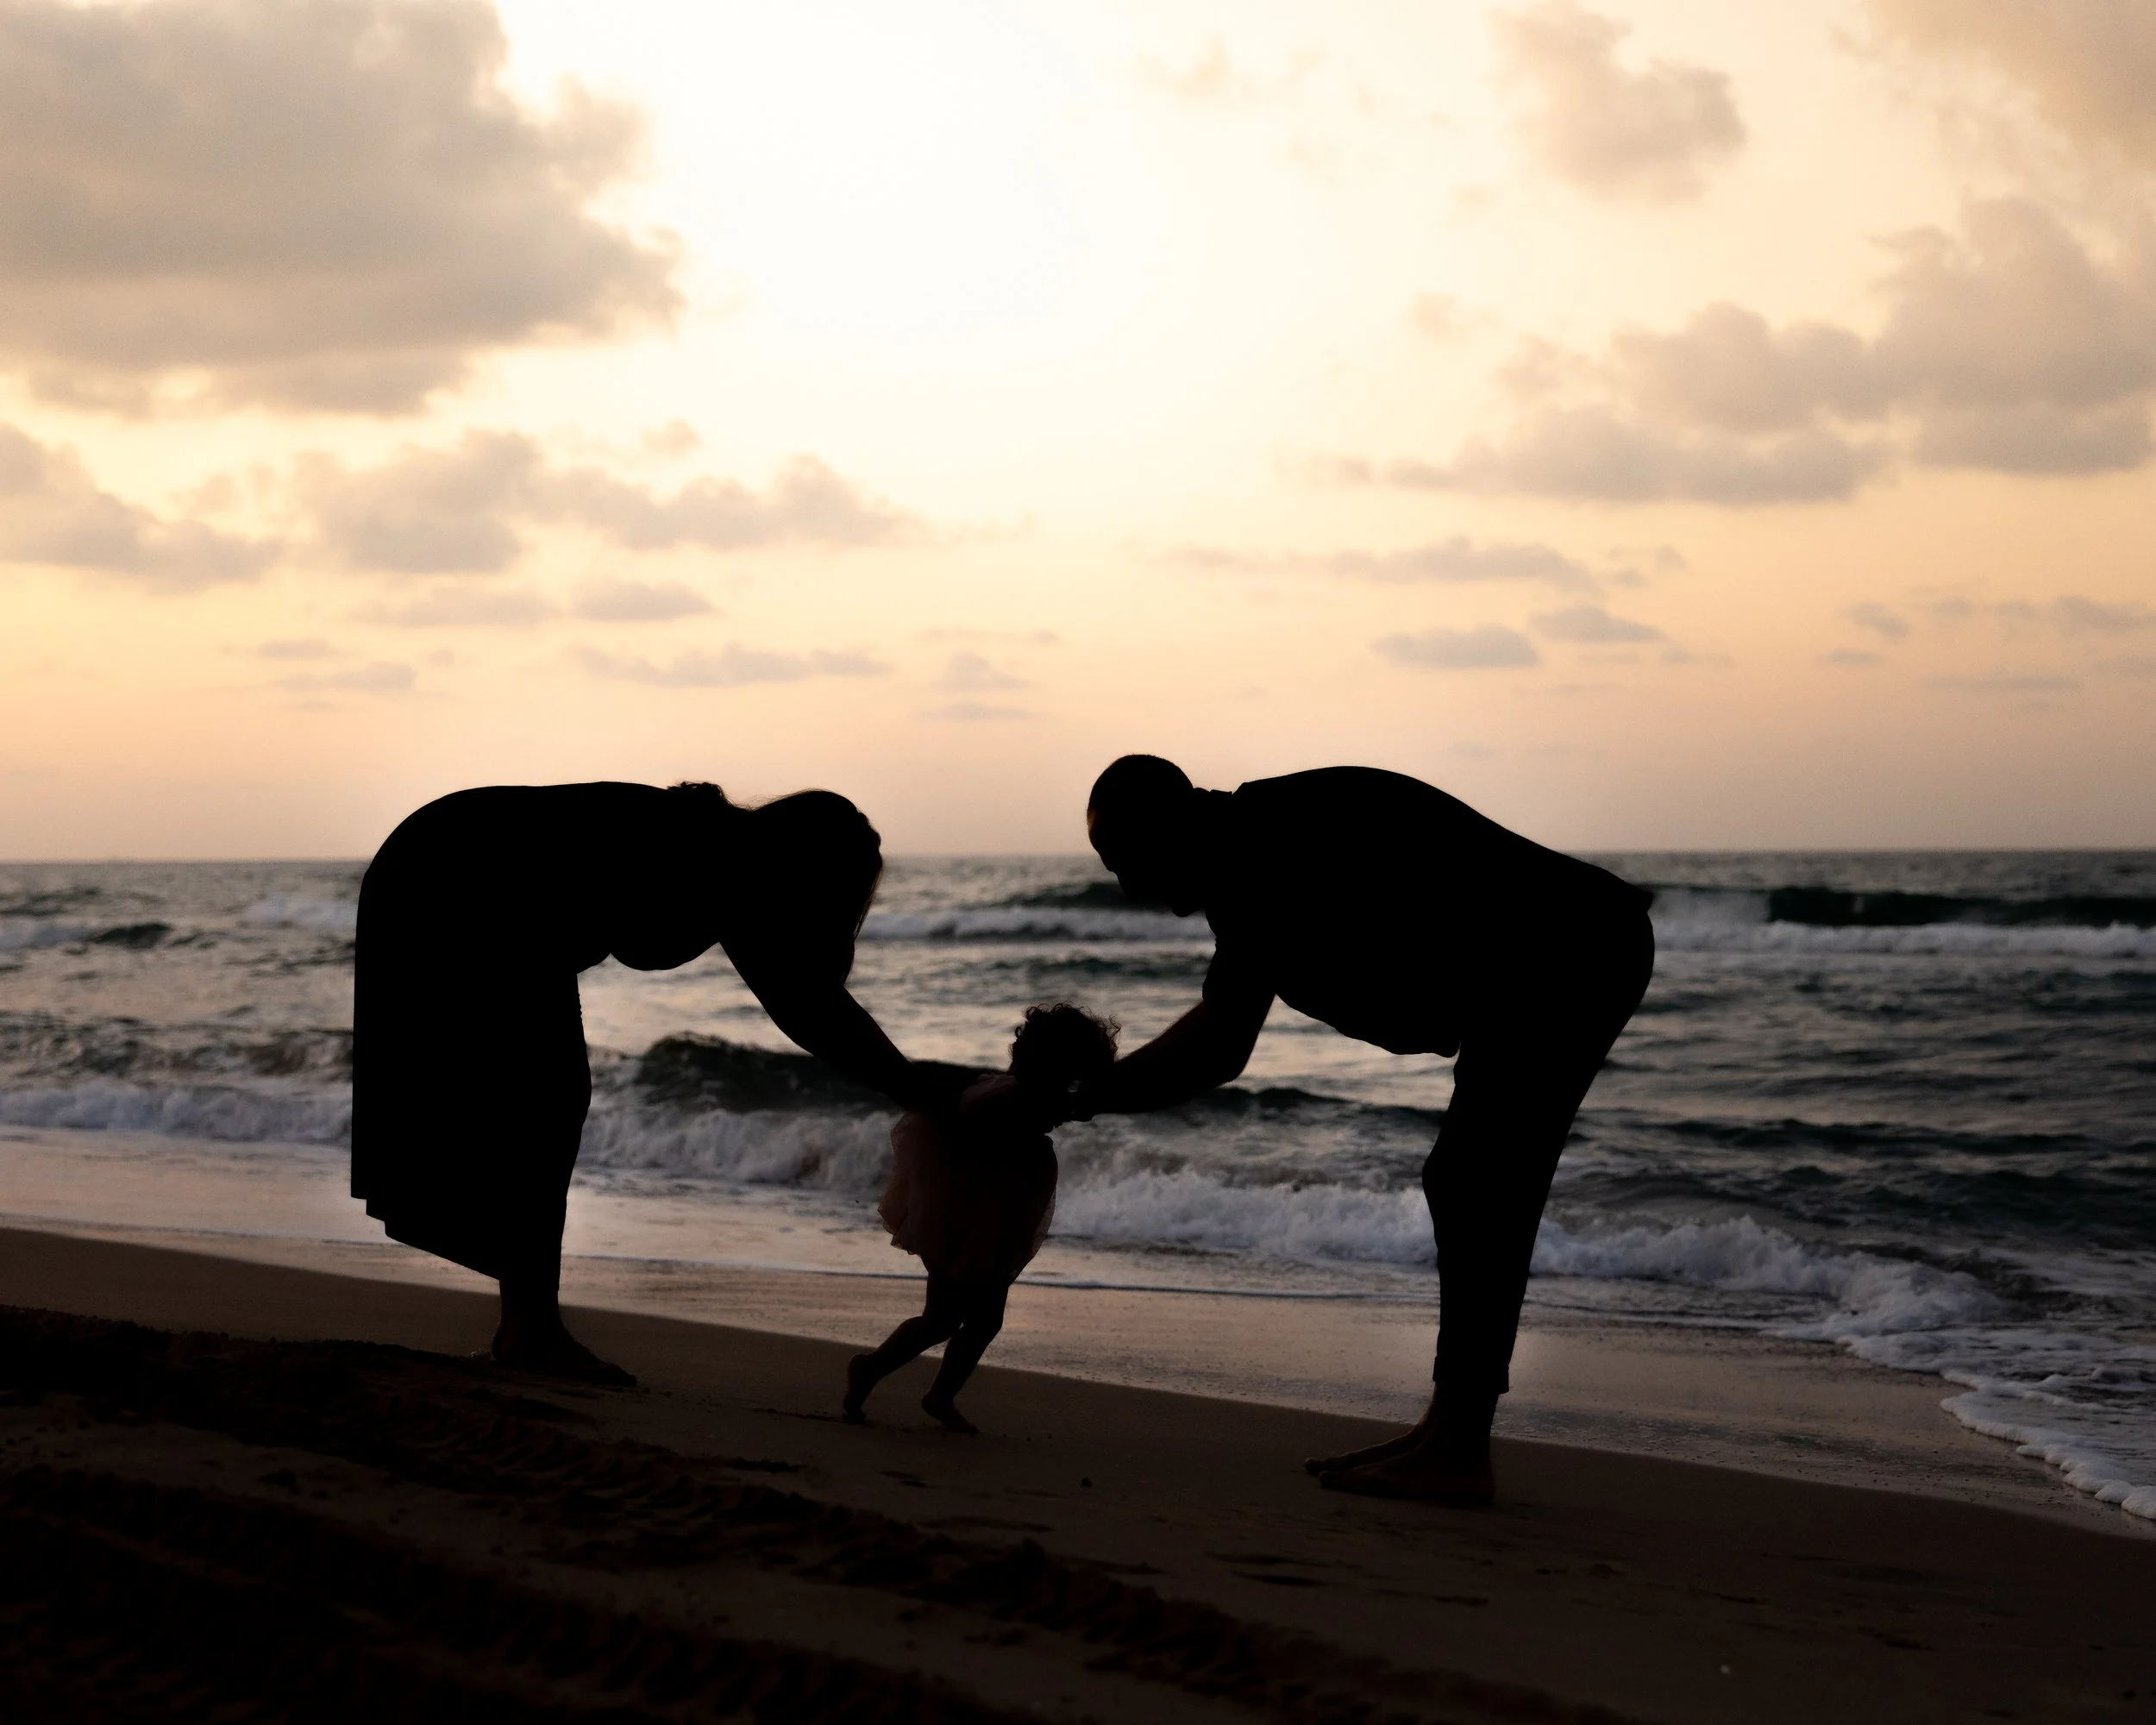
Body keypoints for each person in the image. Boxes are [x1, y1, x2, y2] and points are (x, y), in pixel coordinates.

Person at [1077, 756, 1652, 1504]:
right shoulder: (1241, 860)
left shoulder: (1262, 850)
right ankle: (1448, 1429)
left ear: (1173, 823)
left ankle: (1457, 1451)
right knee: (1464, 1180)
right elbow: (1226, 1032)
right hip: (1538, 964)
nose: (1130, 889)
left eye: (1129, 862)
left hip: (1571, 952)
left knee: (1479, 1180)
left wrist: (1075, 1098)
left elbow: (1220, 1047)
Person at [353, 780, 962, 1384]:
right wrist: (925, 1095)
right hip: (448, 871)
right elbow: (808, 1005)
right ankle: (530, 1330)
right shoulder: (715, 857)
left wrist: (919, 1092)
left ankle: (526, 1325)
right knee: (548, 1096)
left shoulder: (727, 859)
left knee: (543, 1096)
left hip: (457, 873)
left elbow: (807, 1006)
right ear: (801, 867)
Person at [843, 1003, 1119, 1433]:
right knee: (980, 1317)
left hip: (961, 1215)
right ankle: (929, 1391)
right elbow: (995, 1139)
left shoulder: (1010, 1089)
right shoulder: (1020, 1100)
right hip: (977, 1220)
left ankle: (877, 1370)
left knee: (942, 1317)